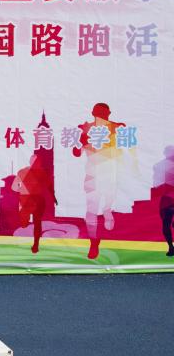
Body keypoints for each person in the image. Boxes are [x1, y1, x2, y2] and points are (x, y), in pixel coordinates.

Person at [72, 103, 123, 260]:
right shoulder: (85, 130)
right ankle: (94, 242)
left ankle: (107, 211)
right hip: (92, 176)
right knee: (91, 211)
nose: (102, 119)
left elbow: (122, 151)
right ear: (94, 114)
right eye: (100, 115)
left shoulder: (116, 128)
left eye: (105, 116)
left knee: (108, 200)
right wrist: (81, 142)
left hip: (109, 175)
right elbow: (76, 152)